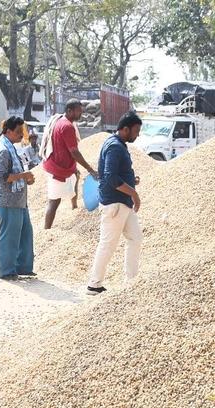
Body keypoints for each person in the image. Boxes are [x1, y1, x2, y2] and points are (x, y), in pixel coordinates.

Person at [87, 112, 144, 295]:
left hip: (122, 203)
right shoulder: (115, 147)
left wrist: (130, 180)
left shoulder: (118, 144)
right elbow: (111, 178)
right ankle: (94, 285)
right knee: (108, 244)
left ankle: (131, 282)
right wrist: (133, 193)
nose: (137, 135)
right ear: (125, 129)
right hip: (115, 204)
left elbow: (114, 174)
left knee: (135, 238)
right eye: (135, 131)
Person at [0, 115, 37, 280]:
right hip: (8, 202)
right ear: (8, 131)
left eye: (22, 131)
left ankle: (23, 268)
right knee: (9, 239)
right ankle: (7, 271)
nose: (21, 135)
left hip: (19, 202)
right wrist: (23, 175)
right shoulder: (3, 150)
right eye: (18, 132)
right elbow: (0, 177)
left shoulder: (12, 147)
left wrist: (26, 178)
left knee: (25, 235)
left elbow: (17, 174)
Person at [42, 99, 98, 229]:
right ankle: (46, 229)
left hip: (65, 166)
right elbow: (74, 151)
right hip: (57, 169)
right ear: (69, 111)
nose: (81, 113)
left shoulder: (63, 122)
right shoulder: (66, 126)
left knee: (76, 176)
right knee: (54, 201)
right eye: (78, 111)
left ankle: (74, 207)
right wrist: (90, 169)